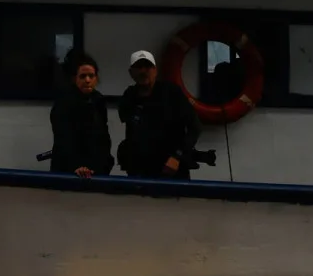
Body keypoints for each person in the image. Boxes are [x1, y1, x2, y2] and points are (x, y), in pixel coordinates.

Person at [115, 50, 201, 179]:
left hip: (171, 169)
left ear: (155, 70)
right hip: (139, 171)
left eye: (148, 67)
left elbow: (195, 128)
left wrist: (177, 156)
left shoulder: (172, 93)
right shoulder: (129, 96)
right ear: (131, 72)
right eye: (138, 67)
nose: (143, 71)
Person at [49, 53, 112, 177]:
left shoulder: (98, 101)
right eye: (83, 76)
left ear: (96, 78)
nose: (87, 80)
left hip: (96, 171)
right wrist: (76, 165)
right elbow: (64, 139)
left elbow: (103, 138)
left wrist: (104, 164)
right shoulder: (64, 102)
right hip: (68, 171)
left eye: (91, 76)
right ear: (74, 79)